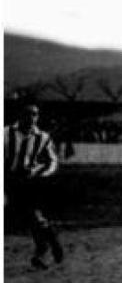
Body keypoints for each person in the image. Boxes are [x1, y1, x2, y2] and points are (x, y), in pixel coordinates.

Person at [4, 103, 64, 270]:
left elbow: (52, 161)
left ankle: (43, 250)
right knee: (26, 217)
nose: (31, 118)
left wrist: (40, 172)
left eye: (35, 114)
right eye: (28, 114)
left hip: (30, 182)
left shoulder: (42, 137)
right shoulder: (5, 134)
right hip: (8, 180)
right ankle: (50, 241)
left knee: (32, 215)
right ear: (20, 116)